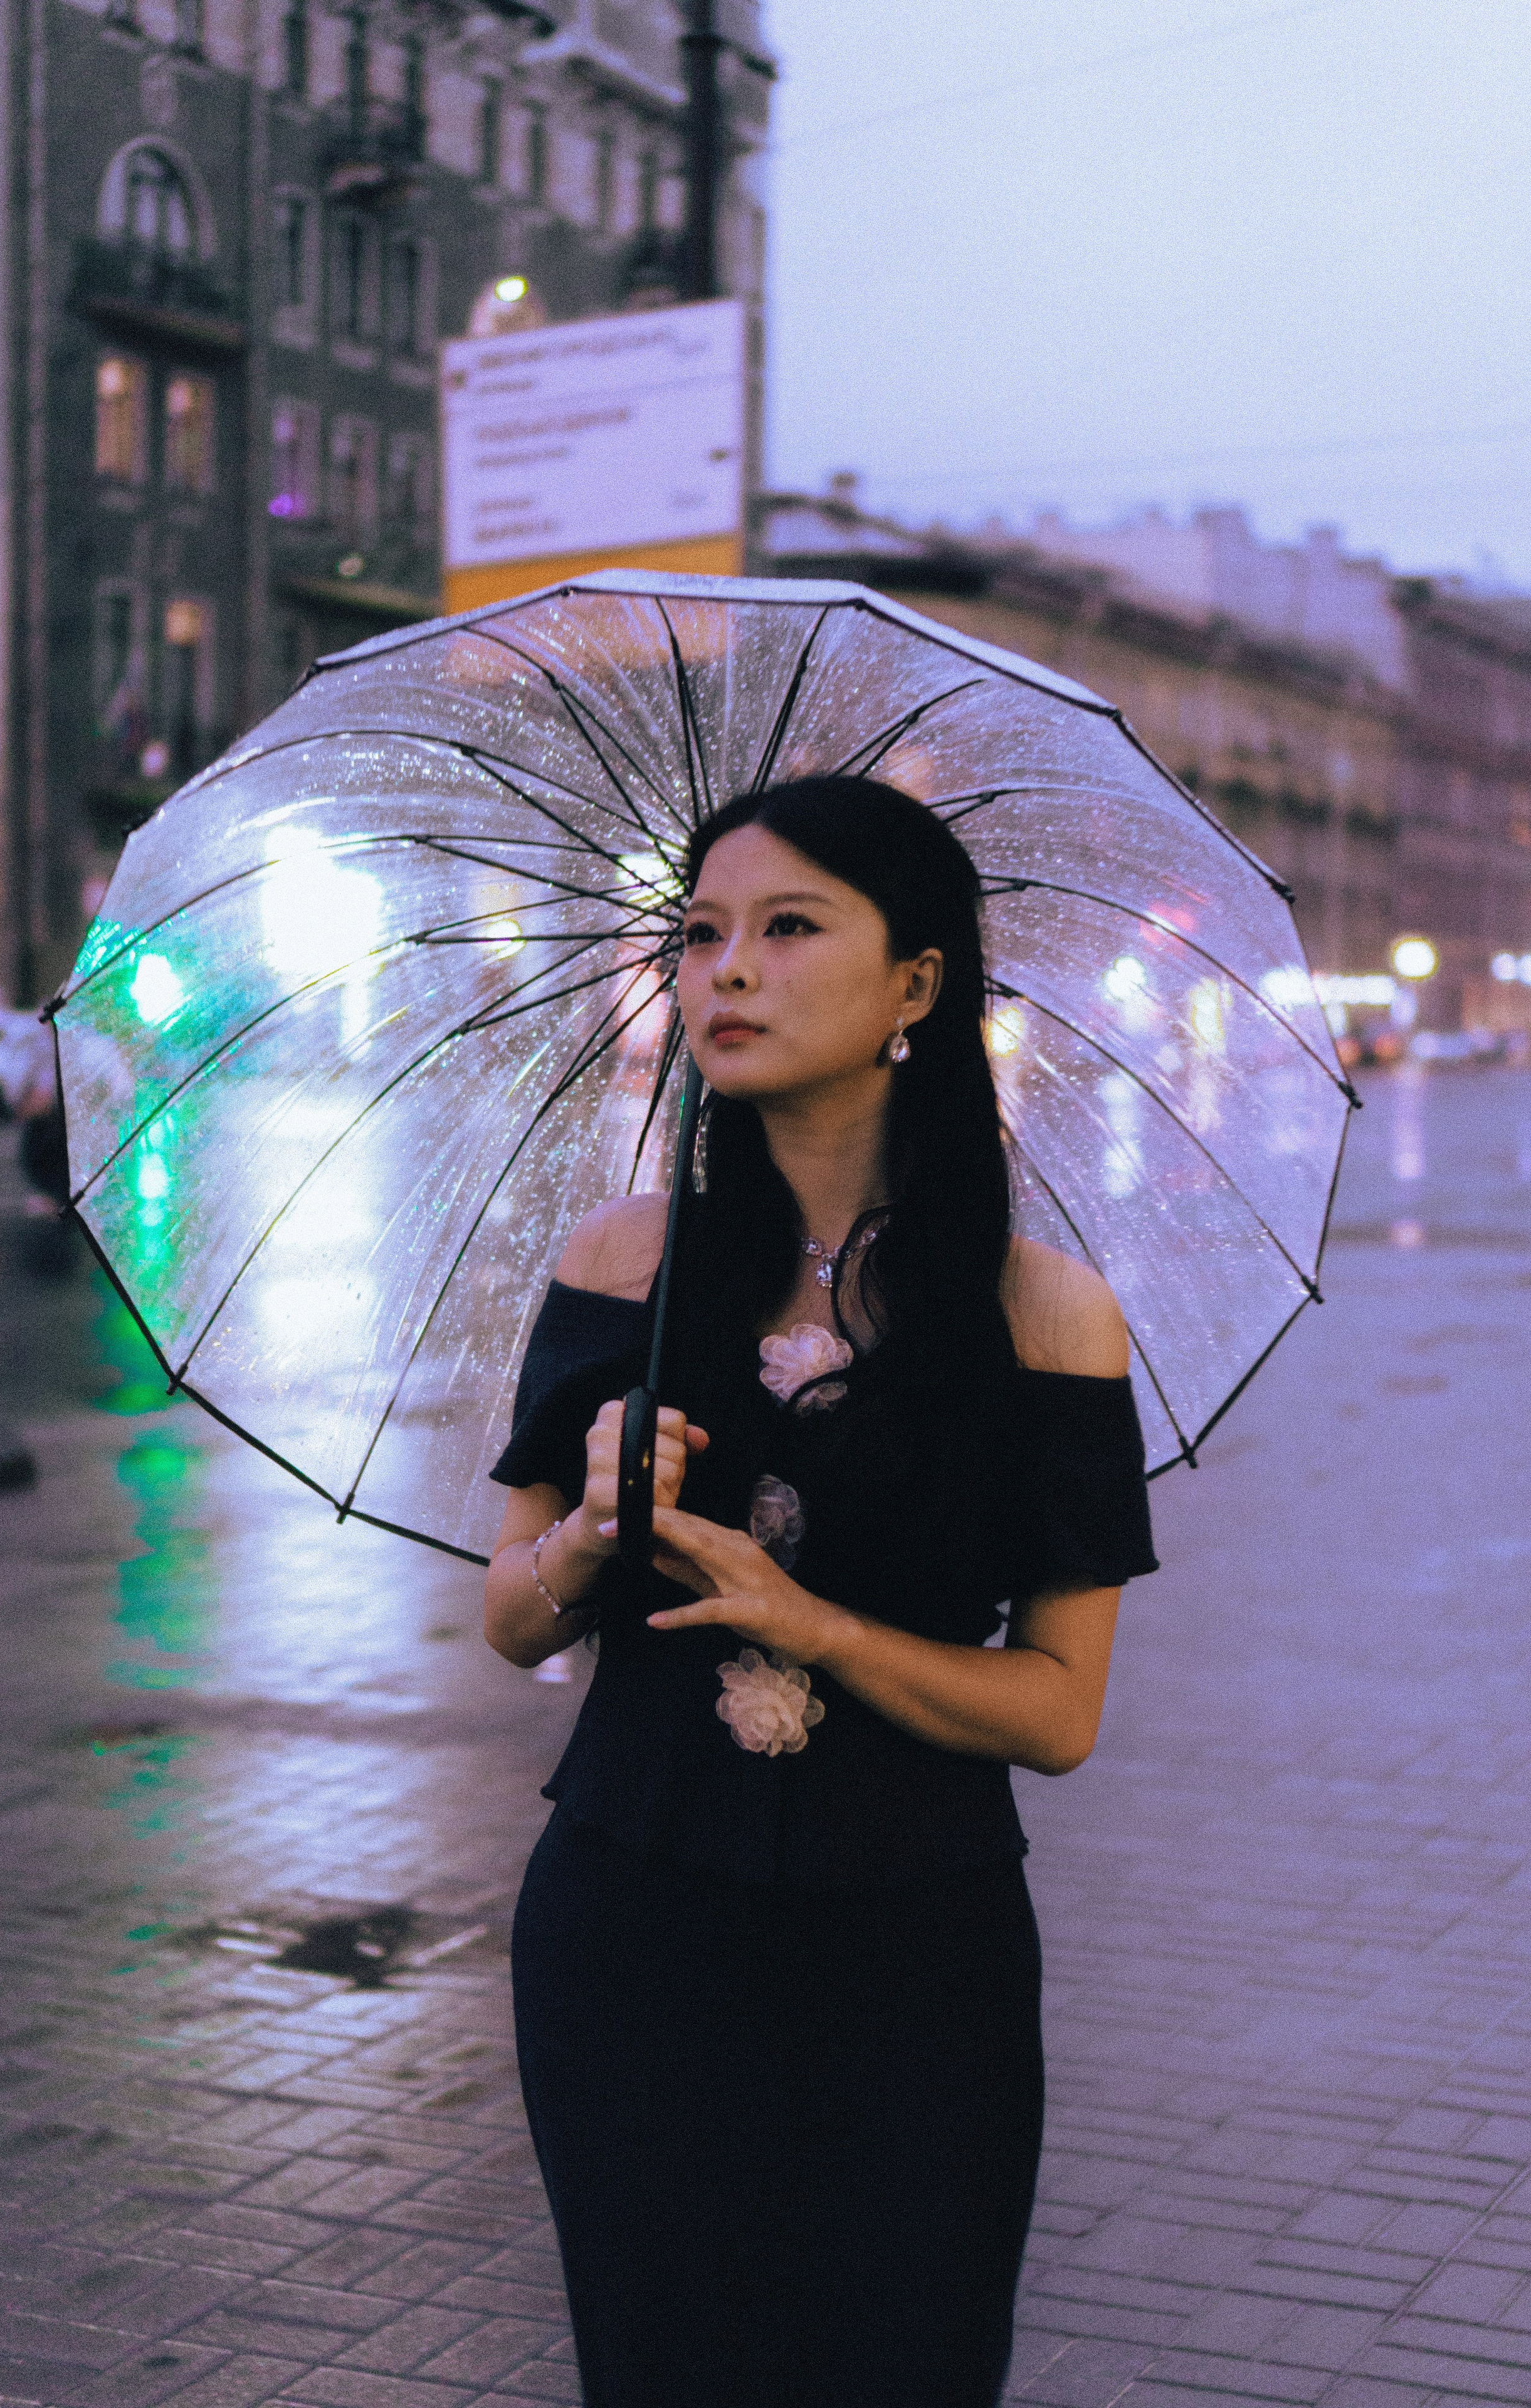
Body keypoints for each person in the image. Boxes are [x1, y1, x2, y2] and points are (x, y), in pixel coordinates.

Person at [483, 774, 1158, 2408]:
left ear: (916, 986)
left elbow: (1057, 1713)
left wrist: (816, 1629)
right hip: (628, 1921)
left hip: (913, 1955)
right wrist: (582, 1540)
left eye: (789, 930)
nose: (727, 971)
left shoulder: (1043, 1317)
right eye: (704, 934)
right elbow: (508, 1617)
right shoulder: (623, 1266)